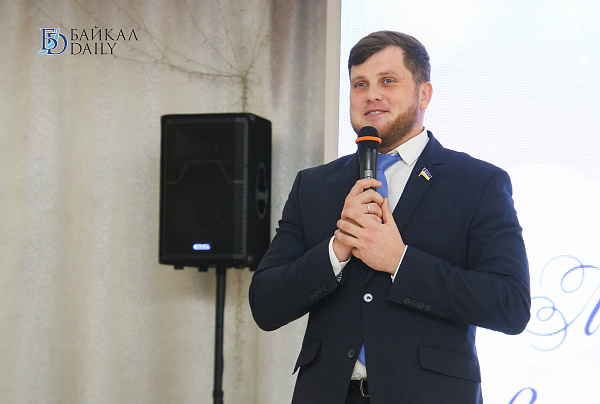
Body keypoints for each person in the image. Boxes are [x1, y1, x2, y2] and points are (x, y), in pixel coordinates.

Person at [249, 30, 530, 404]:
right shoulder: (313, 185)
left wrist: (400, 261)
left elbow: (510, 305)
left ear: (424, 94)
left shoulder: (478, 182)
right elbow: (265, 304)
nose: (371, 95)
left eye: (387, 81)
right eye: (360, 84)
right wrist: (336, 250)